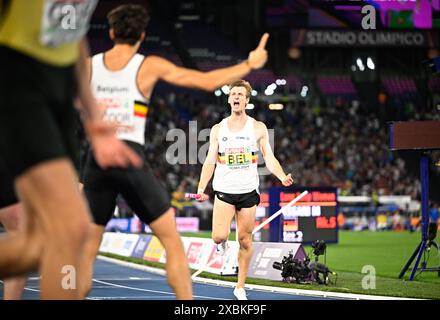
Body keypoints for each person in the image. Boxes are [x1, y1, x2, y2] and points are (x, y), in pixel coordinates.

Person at [79, 4, 269, 300]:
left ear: (112, 32)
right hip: (129, 158)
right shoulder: (148, 65)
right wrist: (249, 64)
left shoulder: (89, 66)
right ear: (142, 35)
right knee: (172, 244)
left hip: (95, 160)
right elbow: (205, 81)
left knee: (85, 253)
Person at [0, 0, 142, 299]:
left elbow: (73, 37)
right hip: (18, 79)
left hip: (60, 95)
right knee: (70, 226)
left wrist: (95, 118)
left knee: (60, 233)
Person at [196, 80, 294, 300]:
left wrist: (281, 176)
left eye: (241, 94)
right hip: (224, 189)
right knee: (218, 236)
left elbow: (269, 157)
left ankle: (240, 287)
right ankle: (221, 245)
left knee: (245, 240)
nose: (237, 97)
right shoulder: (218, 129)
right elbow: (210, 161)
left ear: (247, 100)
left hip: (248, 191)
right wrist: (202, 187)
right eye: (234, 94)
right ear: (230, 99)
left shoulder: (258, 128)